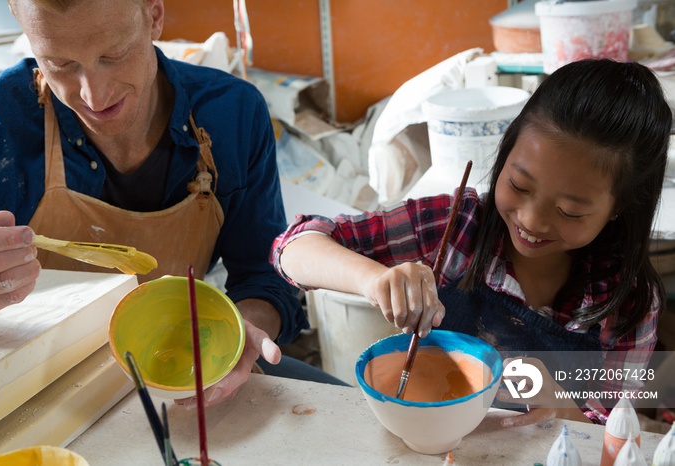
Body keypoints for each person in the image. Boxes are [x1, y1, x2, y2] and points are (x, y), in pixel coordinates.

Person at [0, 0, 342, 407]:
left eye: (113, 55)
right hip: (31, 384)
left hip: (181, 363)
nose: (93, 95)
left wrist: (241, 332)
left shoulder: (231, 115)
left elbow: (263, 275)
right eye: (59, 64)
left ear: (153, 15)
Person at [271, 59, 673, 426]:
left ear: (619, 208)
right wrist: (372, 280)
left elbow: (610, 429)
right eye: (518, 185)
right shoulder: (459, 226)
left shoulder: (629, 301)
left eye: (570, 211)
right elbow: (292, 246)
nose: (531, 220)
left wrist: (566, 409)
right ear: (506, 150)